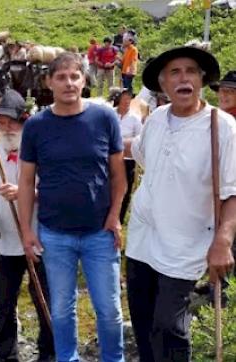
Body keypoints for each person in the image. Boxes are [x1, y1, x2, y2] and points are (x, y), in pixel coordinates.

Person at [124, 46, 236, 362]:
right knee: (144, 324)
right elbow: (141, 155)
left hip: (185, 246)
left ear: (201, 80)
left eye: (190, 71)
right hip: (142, 242)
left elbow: (233, 193)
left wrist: (223, 242)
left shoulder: (222, 127)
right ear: (163, 84)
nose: (183, 78)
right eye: (175, 72)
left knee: (170, 326)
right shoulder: (157, 118)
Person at [18, 52, 127, 362]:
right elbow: (26, 183)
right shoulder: (37, 126)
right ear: (49, 82)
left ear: (84, 80)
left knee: (109, 310)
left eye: (74, 76)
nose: (69, 83)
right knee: (63, 310)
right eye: (61, 77)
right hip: (54, 234)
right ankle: (67, 358)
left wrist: (115, 216)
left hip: (99, 233)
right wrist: (27, 231)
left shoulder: (104, 119)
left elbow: (119, 176)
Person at [0, 89, 55, 362]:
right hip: (5, 242)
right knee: (3, 305)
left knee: (44, 300)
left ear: (25, 121)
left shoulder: (41, 151)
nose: (6, 127)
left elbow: (54, 191)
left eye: (12, 122)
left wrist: (26, 193)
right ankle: (5, 355)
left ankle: (48, 354)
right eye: (1, 122)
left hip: (37, 239)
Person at [109, 88, 142, 224]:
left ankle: (119, 218)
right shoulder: (111, 115)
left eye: (129, 98)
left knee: (125, 188)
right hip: (110, 157)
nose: (127, 101)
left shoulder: (135, 118)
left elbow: (140, 139)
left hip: (127, 159)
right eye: (124, 98)